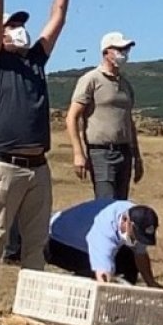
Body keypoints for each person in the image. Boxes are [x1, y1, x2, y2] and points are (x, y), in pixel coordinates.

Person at [0, 0, 83, 325]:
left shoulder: (36, 60)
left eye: (21, 25)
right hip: (4, 166)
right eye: (12, 26)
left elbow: (59, 16)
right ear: (1, 34)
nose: (20, 30)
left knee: (36, 243)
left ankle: (31, 304)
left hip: (39, 167)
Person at [65, 31, 143, 200]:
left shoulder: (125, 84)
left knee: (121, 204)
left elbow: (128, 121)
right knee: (105, 202)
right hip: (101, 152)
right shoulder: (91, 80)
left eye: (125, 49)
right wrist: (78, 153)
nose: (123, 53)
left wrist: (137, 156)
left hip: (124, 151)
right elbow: (72, 116)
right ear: (106, 52)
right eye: (119, 49)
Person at [45, 199, 162, 287]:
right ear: (126, 222)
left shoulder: (137, 217)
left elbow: (140, 254)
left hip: (80, 236)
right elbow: (104, 279)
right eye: (136, 236)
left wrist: (151, 283)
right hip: (55, 242)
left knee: (129, 261)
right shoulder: (104, 232)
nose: (137, 240)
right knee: (97, 271)